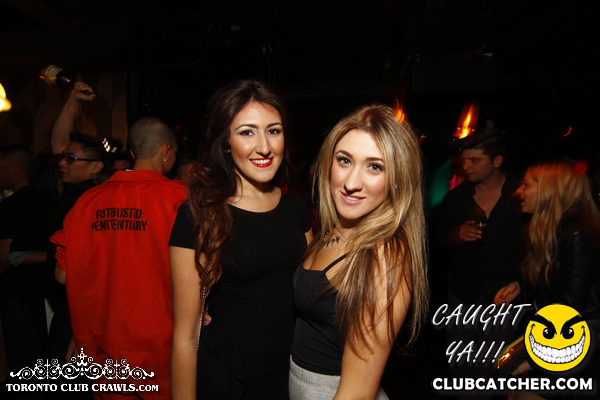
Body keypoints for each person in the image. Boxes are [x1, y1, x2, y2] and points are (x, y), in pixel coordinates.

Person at [169, 79, 313, 399]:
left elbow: (312, 287)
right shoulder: (199, 215)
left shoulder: (295, 207)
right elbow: (185, 337)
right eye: (247, 132)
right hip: (231, 380)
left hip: (294, 375)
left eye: (273, 131)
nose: (264, 147)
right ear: (225, 143)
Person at [289, 104, 429, 399]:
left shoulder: (385, 256)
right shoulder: (335, 228)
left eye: (375, 166)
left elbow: (358, 393)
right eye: (344, 160)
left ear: (398, 178)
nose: (351, 183)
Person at [51, 117, 186, 399]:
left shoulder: (87, 202)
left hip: (102, 346)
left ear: (133, 152)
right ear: (166, 150)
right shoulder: (181, 198)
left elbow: (62, 276)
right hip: (163, 345)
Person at [494, 159, 600, 399]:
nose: (519, 192)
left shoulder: (578, 233)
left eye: (527, 185)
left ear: (550, 191)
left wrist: (536, 361)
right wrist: (519, 285)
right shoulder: (547, 229)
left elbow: (570, 310)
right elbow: (556, 281)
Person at [436, 126, 525, 393]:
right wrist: (457, 235)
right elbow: (438, 239)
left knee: (490, 366)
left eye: (474, 160)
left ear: (497, 161)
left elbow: (539, 246)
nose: (466, 166)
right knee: (458, 361)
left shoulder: (522, 194)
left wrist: (522, 282)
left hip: (504, 296)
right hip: (464, 293)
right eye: (464, 160)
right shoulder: (456, 198)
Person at [0, 145, 54, 384]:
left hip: (18, 294)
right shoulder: (50, 199)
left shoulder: (11, 206)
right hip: (46, 291)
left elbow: (4, 256)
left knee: (24, 364)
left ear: (17, 169)